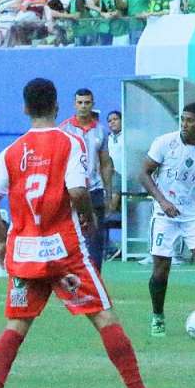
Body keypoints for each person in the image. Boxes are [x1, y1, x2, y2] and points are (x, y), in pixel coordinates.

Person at [0, 78, 179, 388]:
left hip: (25, 252)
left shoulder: (11, 151)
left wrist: (1, 239)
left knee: (17, 325)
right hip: (63, 251)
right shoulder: (69, 143)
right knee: (104, 316)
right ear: (57, 107)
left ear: (26, 108)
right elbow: (76, 191)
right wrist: (86, 217)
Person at [138, 102, 195, 337]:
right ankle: (157, 317)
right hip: (165, 214)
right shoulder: (164, 143)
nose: (184, 124)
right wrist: (163, 201)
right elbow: (143, 173)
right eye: (183, 119)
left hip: (194, 213)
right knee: (161, 269)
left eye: (190, 120)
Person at [60, 89, 114, 272]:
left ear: (93, 104)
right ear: (74, 104)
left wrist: (109, 192)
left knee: (95, 237)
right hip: (71, 190)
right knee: (70, 234)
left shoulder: (100, 130)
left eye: (87, 103)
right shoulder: (64, 129)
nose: (83, 106)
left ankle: (95, 278)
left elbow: (106, 163)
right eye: (80, 102)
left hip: (94, 189)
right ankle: (71, 277)